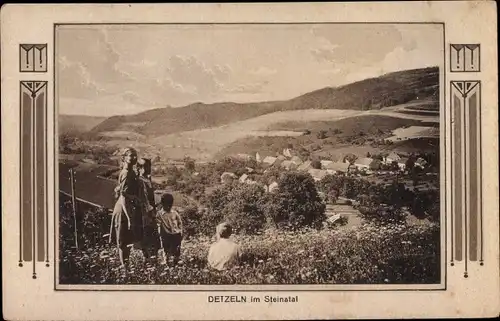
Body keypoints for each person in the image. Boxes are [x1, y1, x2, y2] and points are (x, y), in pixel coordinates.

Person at [109, 147, 141, 269]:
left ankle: (126, 266)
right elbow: (123, 197)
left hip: (129, 207)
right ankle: (124, 268)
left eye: (135, 156)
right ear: (124, 158)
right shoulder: (126, 173)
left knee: (127, 240)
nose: (133, 158)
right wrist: (128, 217)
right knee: (122, 240)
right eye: (131, 155)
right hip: (123, 209)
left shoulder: (132, 172)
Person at [137, 158, 160, 263]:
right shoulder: (140, 181)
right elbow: (144, 199)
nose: (149, 168)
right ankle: (147, 259)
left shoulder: (147, 179)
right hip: (145, 214)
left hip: (151, 212)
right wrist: (151, 213)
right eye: (146, 166)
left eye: (149, 166)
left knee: (153, 236)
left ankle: (153, 258)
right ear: (140, 168)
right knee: (146, 235)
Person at [156, 193, 183, 265]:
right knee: (166, 249)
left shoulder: (174, 213)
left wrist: (180, 231)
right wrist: (160, 233)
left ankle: (176, 261)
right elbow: (158, 224)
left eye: (170, 205)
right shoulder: (159, 214)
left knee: (177, 249)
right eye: (166, 205)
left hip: (176, 233)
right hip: (165, 234)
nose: (168, 207)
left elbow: (180, 222)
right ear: (162, 204)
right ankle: (167, 262)